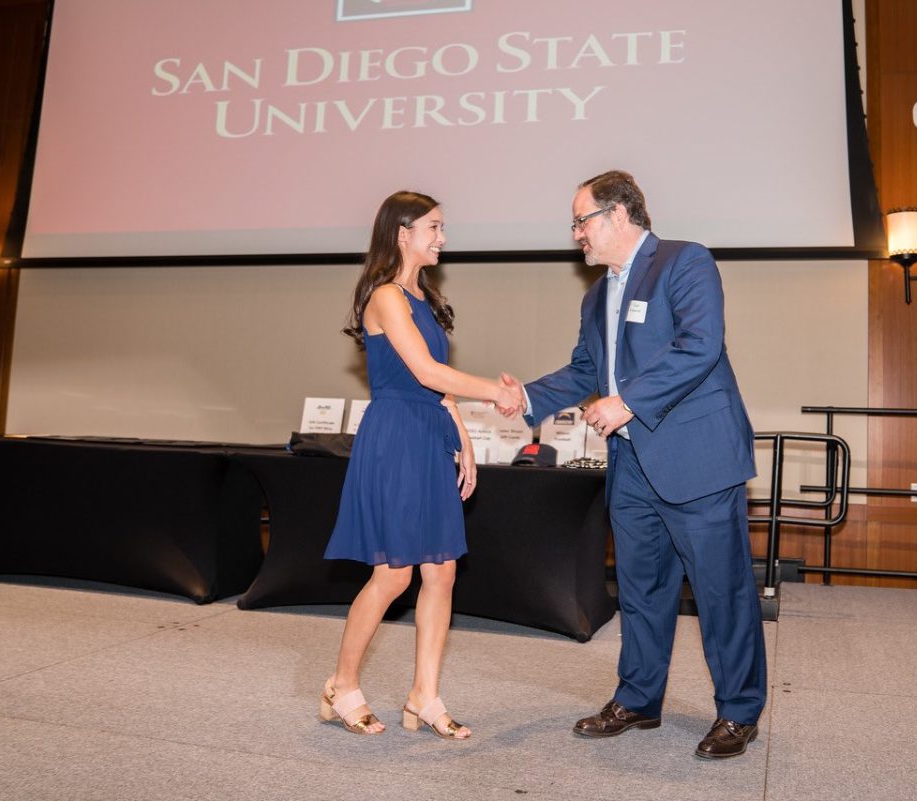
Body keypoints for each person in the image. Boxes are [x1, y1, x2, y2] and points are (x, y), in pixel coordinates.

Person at [501, 170, 766, 759]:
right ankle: (639, 698)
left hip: (696, 457)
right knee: (642, 590)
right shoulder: (596, 295)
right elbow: (583, 372)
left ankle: (739, 712)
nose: (577, 235)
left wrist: (628, 402)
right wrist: (525, 398)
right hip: (631, 463)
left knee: (722, 591)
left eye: (581, 221)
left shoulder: (684, 261)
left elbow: (700, 344)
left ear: (618, 215)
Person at [320, 190, 518, 741]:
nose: (443, 237)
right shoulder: (386, 296)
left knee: (443, 571)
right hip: (396, 438)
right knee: (393, 574)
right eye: (433, 227)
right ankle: (342, 685)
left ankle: (424, 697)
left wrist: (464, 439)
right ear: (402, 232)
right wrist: (496, 393)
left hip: (430, 434)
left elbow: (438, 389)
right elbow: (426, 373)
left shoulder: (423, 298)